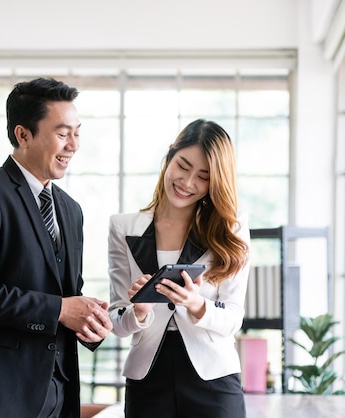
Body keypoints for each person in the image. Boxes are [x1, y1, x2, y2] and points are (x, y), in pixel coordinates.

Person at [0, 77, 113, 418]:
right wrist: (59, 310)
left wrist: (89, 323)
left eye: (78, 132)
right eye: (63, 133)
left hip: (58, 389)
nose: (74, 145)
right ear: (23, 135)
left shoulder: (70, 209)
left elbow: (65, 292)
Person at [107, 119, 250, 418]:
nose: (187, 183)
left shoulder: (230, 230)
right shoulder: (123, 227)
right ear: (170, 155)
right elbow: (117, 321)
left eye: (203, 176)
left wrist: (197, 304)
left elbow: (233, 319)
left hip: (213, 379)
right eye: (183, 166)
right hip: (148, 377)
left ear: (215, 182)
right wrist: (140, 312)